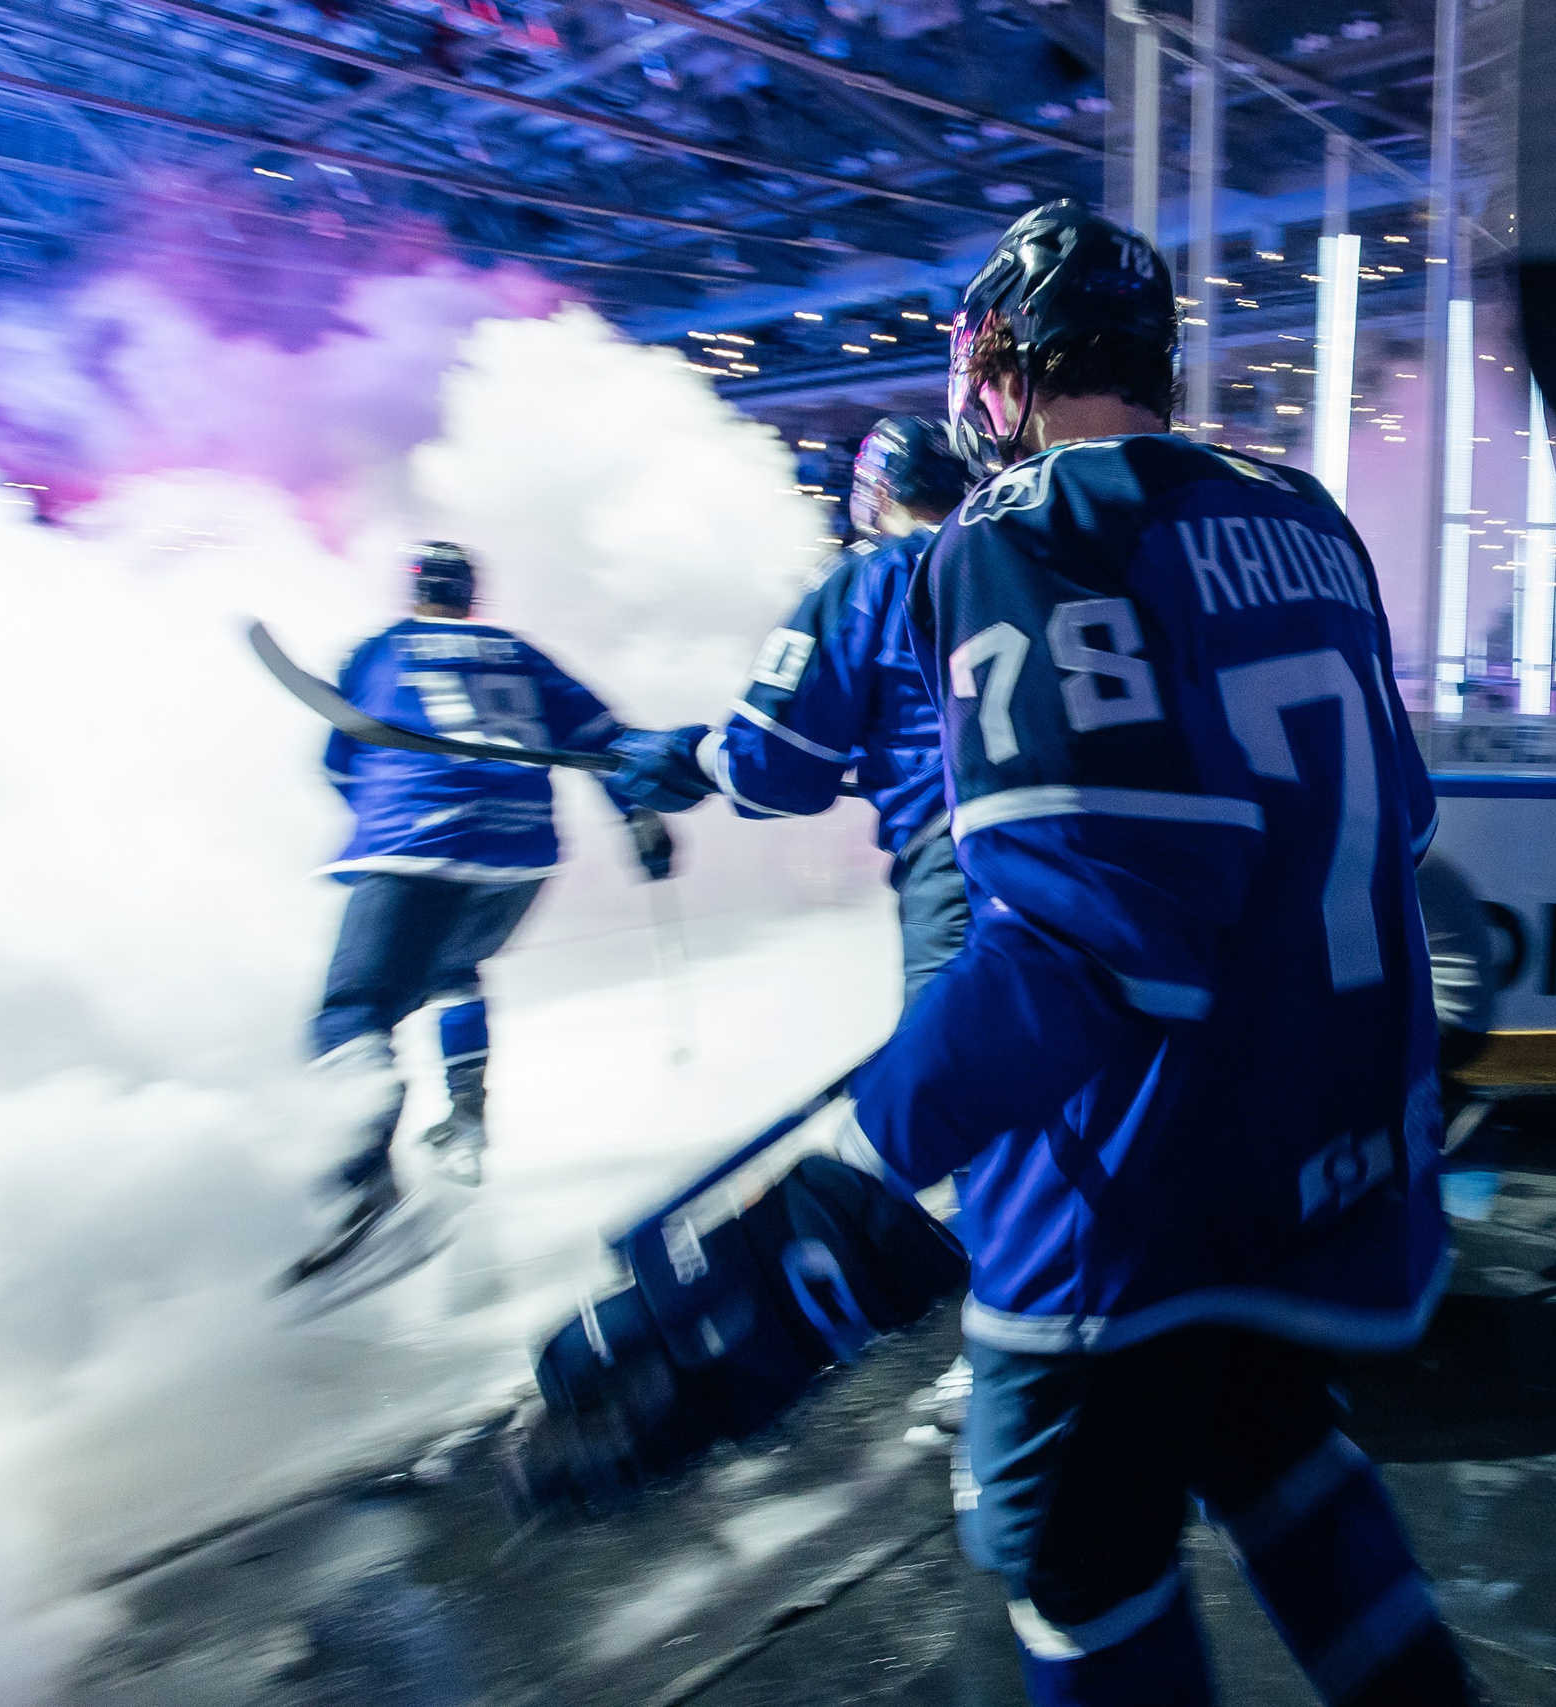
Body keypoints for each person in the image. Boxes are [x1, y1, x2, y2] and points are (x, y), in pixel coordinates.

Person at [823, 200, 1470, 1706]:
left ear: (1006, 365)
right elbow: (1405, 818)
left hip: (1134, 1180)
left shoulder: (1022, 526)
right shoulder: (1304, 508)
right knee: (1277, 1447)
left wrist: (864, 1157)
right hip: (1324, 1137)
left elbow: (1090, 936)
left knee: (1078, 1561)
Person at [303, 541, 658, 1275]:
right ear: (471, 592)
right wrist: (640, 820)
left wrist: (376, 820)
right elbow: (602, 740)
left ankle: (367, 1188)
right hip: (520, 856)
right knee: (455, 970)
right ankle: (464, 1123)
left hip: (416, 847)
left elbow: (340, 759)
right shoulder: (517, 651)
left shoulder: (380, 648)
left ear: (413, 588)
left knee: (350, 1015)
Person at [605, 415, 973, 1013]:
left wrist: (687, 757)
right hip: (1102, 857)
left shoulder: (876, 572)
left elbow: (777, 767)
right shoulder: (1025, 554)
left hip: (961, 858)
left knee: (956, 1091)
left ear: (876, 492)